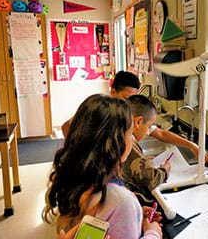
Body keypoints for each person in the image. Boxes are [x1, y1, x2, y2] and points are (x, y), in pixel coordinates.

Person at [43, 94, 162, 239]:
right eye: (130, 133)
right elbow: (116, 207)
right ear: (117, 143)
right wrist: (153, 232)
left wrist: (136, 215)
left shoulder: (77, 181)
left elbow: (102, 217)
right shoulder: (121, 201)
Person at [61, 71, 208, 166]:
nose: (129, 103)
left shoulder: (129, 115)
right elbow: (66, 128)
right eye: (126, 97)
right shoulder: (99, 110)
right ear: (113, 91)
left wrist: (192, 146)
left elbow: (160, 133)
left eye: (133, 98)